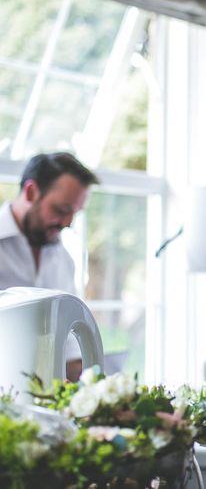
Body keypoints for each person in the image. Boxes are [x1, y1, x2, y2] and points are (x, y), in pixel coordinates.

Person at [0, 151, 99, 380]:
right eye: (62, 210)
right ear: (31, 192)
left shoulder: (64, 260)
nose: (67, 223)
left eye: (74, 213)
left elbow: (71, 348)